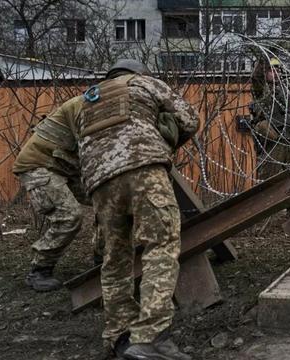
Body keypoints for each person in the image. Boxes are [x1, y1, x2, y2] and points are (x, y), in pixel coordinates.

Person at [72, 59, 199, 359]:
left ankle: (119, 339)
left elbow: (79, 147)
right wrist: (167, 136)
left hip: (99, 182)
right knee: (161, 244)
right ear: (137, 73)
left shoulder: (86, 101)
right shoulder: (143, 83)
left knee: (115, 259)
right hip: (143, 168)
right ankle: (151, 337)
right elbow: (190, 119)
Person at [12, 96, 103, 292]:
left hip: (64, 166)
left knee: (108, 201)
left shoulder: (103, 102)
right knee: (69, 216)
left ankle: (102, 257)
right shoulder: (88, 104)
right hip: (40, 164)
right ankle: (39, 270)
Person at [250, 55, 290, 214]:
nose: (275, 72)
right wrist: (263, 58)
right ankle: (265, 212)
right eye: (271, 69)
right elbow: (256, 78)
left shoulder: (286, 88)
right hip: (274, 139)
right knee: (269, 176)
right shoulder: (261, 91)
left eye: (277, 68)